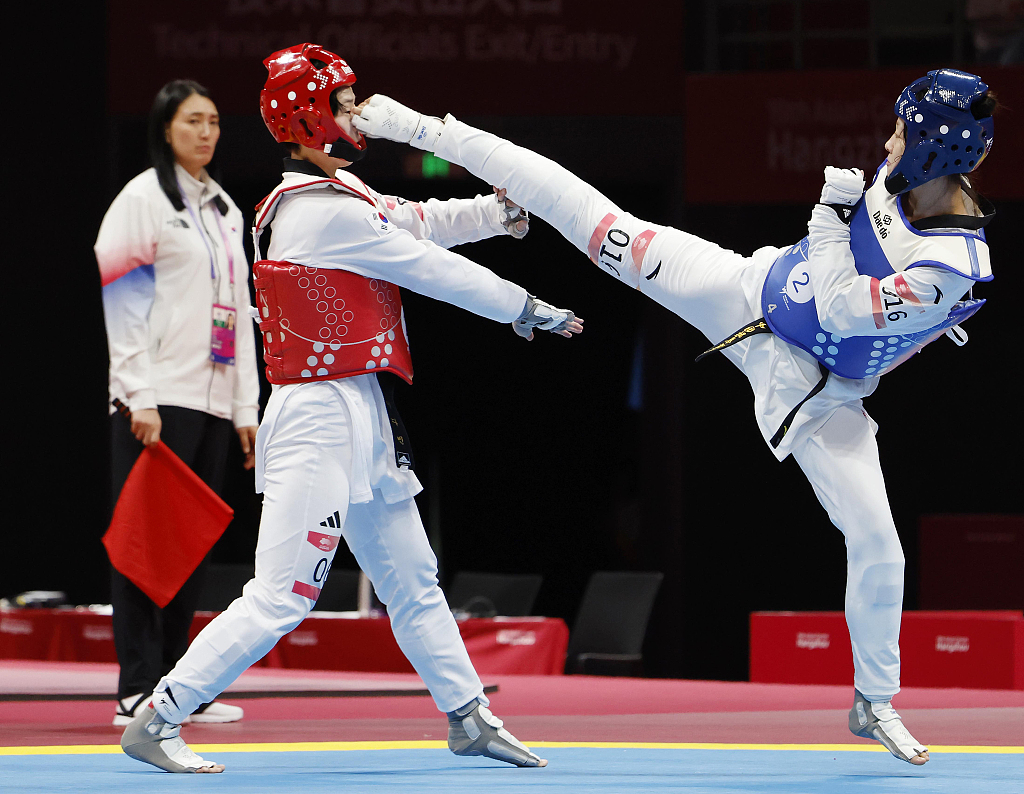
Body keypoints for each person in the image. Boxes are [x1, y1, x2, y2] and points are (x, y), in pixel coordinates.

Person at [351, 68, 999, 767]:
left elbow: (844, 306)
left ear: (939, 151)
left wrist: (826, 213)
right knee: (600, 223)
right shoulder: (903, 176)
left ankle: (875, 702)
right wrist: (419, 134)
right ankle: (424, 128)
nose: (888, 141)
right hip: (746, 289)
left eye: (903, 133)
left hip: (820, 392)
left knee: (879, 545)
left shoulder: (951, 264)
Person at [120, 43, 581, 774]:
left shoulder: (343, 197)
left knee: (411, 577)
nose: (357, 114)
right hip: (315, 416)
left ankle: (467, 715)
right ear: (308, 118)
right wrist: (524, 307)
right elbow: (427, 267)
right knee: (281, 595)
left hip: (360, 407)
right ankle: (160, 714)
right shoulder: (315, 213)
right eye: (342, 104)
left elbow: (420, 222)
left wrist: (499, 210)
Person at [96, 80, 260, 728]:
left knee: (190, 545)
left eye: (215, 121)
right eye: (193, 121)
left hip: (214, 401)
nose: (206, 133)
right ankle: (135, 686)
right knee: (146, 544)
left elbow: (241, 316)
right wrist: (138, 392)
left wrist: (247, 408)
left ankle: (176, 685)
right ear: (166, 128)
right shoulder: (142, 200)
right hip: (158, 400)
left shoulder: (223, 208)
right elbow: (123, 300)